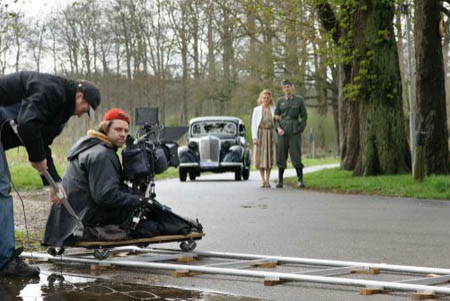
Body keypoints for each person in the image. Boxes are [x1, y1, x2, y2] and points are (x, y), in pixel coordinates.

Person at [0, 71, 101, 277]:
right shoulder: (51, 90)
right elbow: (27, 123)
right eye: (85, 108)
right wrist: (36, 158)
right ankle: (5, 261)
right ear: (79, 96)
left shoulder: (59, 114)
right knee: (1, 188)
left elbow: (42, 143)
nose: (82, 113)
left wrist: (55, 182)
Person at [43, 108, 142, 248]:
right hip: (81, 220)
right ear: (105, 128)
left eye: (126, 131)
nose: (123, 134)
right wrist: (139, 200)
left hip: (67, 219)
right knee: (138, 209)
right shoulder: (103, 154)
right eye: (118, 129)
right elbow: (105, 196)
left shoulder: (89, 146)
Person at [274, 79, 307, 188]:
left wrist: (300, 129)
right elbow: (276, 118)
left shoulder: (299, 100)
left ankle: (300, 180)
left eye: (288, 86)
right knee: (281, 156)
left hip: (294, 132)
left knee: (296, 155)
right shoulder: (280, 101)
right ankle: (280, 181)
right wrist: (278, 128)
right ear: (282, 89)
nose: (287, 88)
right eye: (285, 87)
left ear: (292, 87)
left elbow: (304, 116)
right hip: (282, 132)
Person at [251, 89, 276, 188]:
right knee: (260, 159)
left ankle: (268, 180)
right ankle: (262, 180)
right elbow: (253, 124)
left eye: (267, 98)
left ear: (270, 99)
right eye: (264, 98)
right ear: (261, 99)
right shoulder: (256, 109)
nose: (265, 99)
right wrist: (254, 137)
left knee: (269, 158)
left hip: (270, 134)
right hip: (260, 134)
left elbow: (277, 122)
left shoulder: (274, 108)